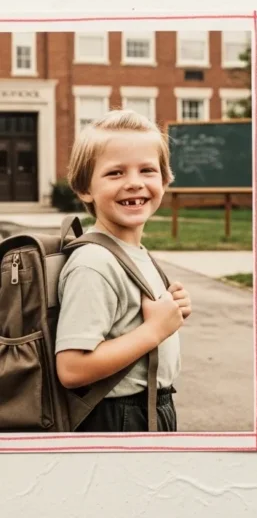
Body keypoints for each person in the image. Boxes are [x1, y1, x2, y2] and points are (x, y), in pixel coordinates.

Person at [55, 110, 191, 432]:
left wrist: (171, 309)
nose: (134, 183)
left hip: (151, 408)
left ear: (164, 179)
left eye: (147, 170)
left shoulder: (134, 253)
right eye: (115, 173)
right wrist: (155, 330)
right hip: (116, 419)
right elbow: (72, 368)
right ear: (85, 188)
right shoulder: (94, 263)